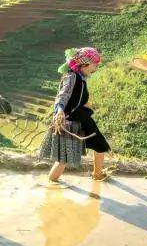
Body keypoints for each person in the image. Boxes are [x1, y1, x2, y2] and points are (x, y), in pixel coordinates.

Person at [39, 47, 111, 183]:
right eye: (95, 64)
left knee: (100, 145)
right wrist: (59, 111)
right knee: (63, 161)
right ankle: (50, 185)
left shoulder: (81, 78)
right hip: (69, 122)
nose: (96, 67)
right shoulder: (72, 77)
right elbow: (62, 96)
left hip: (82, 119)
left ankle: (98, 175)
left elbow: (75, 99)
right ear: (85, 64)